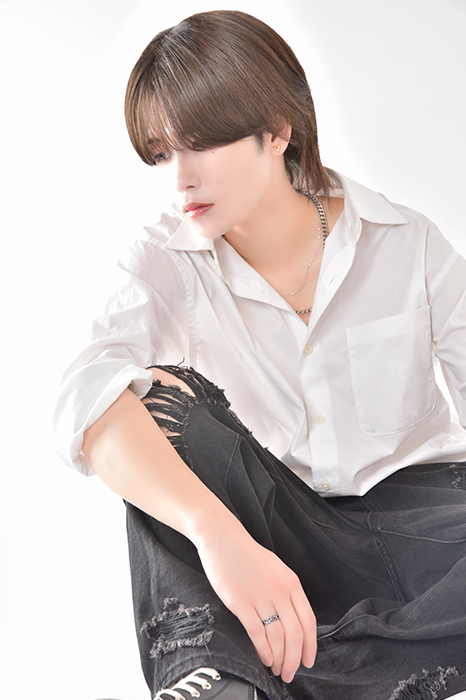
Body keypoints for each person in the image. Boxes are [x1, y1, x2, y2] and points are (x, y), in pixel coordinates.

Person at [52, 10, 466, 700]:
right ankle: (226, 676)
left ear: (276, 130)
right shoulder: (165, 259)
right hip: (275, 535)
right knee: (156, 406)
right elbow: (84, 402)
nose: (179, 179)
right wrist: (216, 535)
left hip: (423, 527)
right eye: (161, 154)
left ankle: (272, 671)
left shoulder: (409, 244)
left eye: (199, 146)